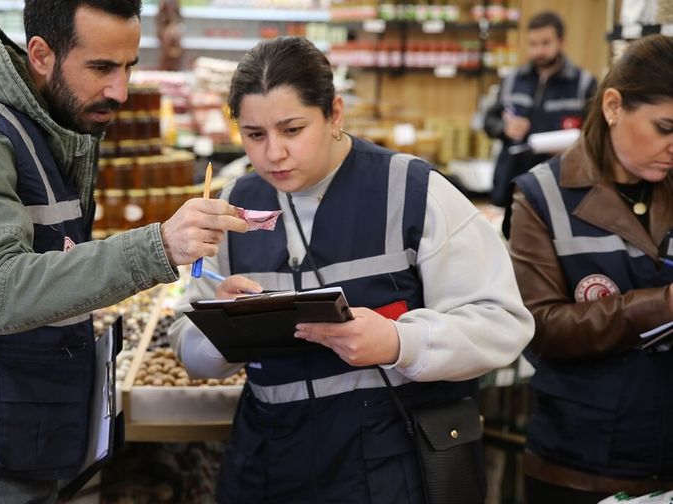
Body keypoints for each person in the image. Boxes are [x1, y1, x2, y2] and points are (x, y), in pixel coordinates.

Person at [0, 1, 248, 502]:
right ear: (42, 54)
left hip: (12, 430)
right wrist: (157, 245)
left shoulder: (43, 126)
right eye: (101, 68)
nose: (120, 91)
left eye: (128, 67)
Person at [168, 36, 535, 502]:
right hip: (268, 465)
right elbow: (186, 344)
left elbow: (502, 322)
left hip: (391, 461)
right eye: (255, 135)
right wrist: (222, 331)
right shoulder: (230, 207)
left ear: (335, 113)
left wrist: (400, 342)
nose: (273, 153)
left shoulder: (414, 190)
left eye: (292, 129)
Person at [508, 34, 673, 503]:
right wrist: (661, 305)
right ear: (614, 106)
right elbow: (539, 327)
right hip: (582, 463)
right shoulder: (543, 196)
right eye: (664, 127)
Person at [484, 11, 597, 238]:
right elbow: (489, 121)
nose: (539, 51)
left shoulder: (584, 84)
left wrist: (574, 143)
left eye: (546, 43)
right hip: (511, 183)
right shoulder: (512, 80)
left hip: (561, 187)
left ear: (561, 42)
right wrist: (504, 129)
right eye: (533, 44)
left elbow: (596, 134)